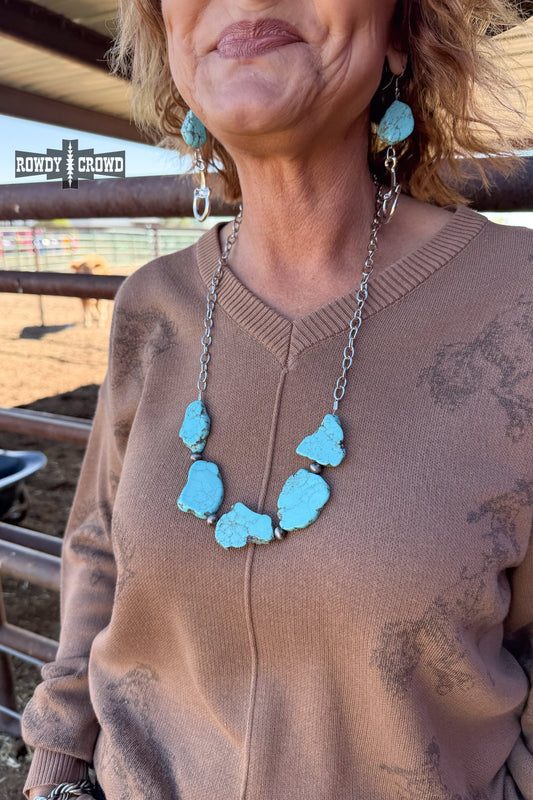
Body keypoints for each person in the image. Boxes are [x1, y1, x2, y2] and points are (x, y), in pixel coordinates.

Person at [22, 1, 533, 799]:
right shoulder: (148, 307)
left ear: (400, 33)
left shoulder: (516, 302)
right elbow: (98, 547)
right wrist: (54, 770)